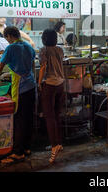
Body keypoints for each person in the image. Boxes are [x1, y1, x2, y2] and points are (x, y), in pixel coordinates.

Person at [0, 26, 36, 164]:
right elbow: (32, 66)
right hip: (31, 84)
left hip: (21, 87)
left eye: (6, 38)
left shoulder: (11, 48)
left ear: (10, 36)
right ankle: (27, 148)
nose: (7, 41)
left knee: (19, 120)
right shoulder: (29, 46)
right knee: (29, 118)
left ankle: (18, 153)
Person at [38, 29, 65, 164]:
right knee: (57, 115)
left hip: (49, 85)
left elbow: (43, 68)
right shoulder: (60, 49)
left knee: (49, 117)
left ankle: (54, 147)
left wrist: (38, 83)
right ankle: (58, 143)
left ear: (44, 38)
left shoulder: (43, 50)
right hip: (61, 84)